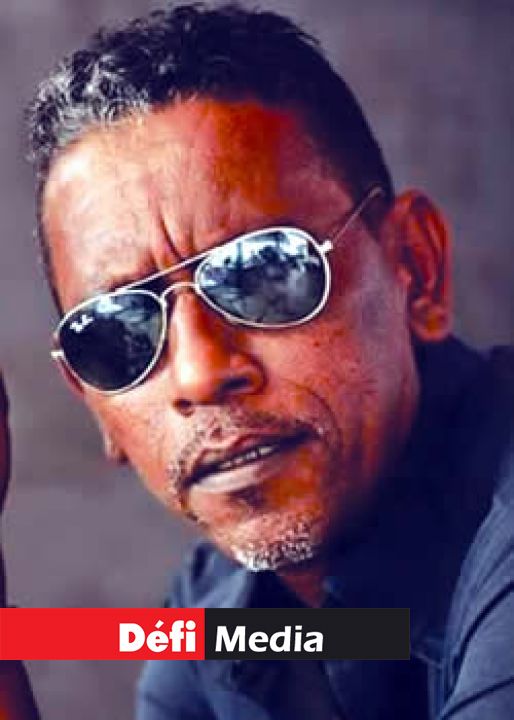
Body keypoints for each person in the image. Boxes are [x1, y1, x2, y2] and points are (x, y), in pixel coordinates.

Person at [1, 3, 513, 718]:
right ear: (91, 402)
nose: (201, 372)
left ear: (416, 269)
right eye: (118, 331)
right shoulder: (217, 614)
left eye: (265, 272)